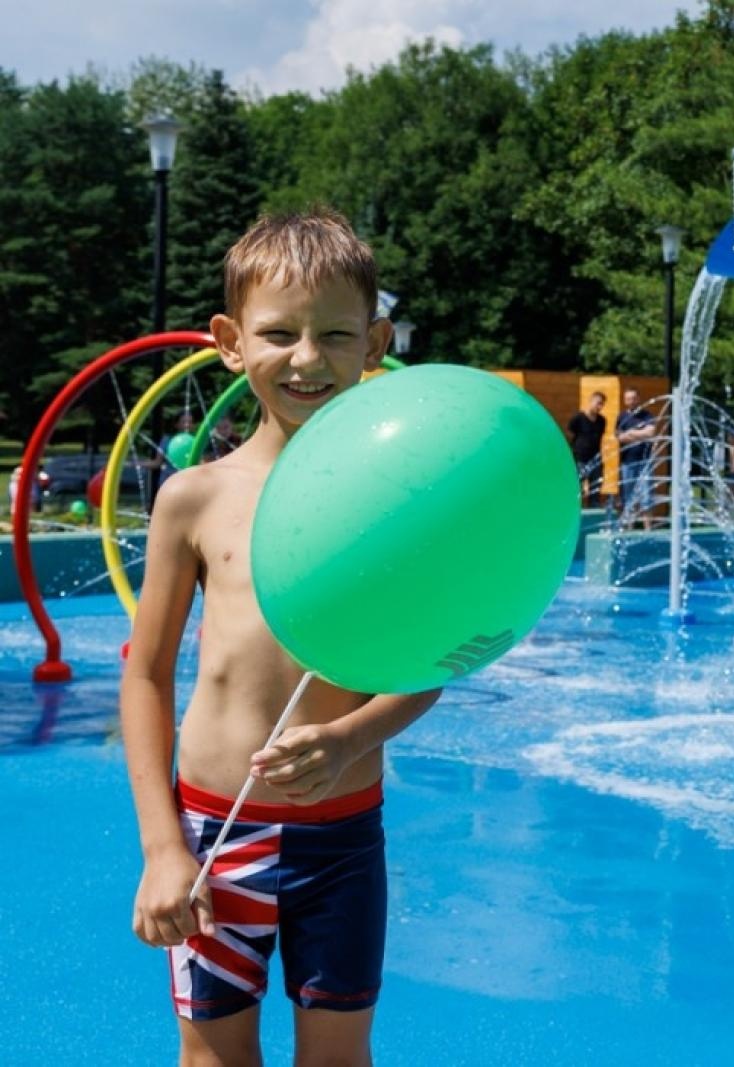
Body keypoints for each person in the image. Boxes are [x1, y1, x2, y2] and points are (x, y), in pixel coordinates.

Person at [120, 209, 443, 1064]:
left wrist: (349, 735)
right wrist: (162, 847)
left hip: (341, 842)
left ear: (375, 342)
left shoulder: (402, 500)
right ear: (230, 341)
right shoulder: (195, 498)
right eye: (279, 333)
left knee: (337, 1056)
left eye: (336, 334)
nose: (307, 358)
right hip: (216, 838)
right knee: (214, 1057)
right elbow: (146, 676)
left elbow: (432, 663)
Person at [615, 387, 658, 529]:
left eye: (633, 398)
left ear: (638, 399)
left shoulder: (647, 415)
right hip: (627, 461)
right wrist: (640, 433)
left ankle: (648, 529)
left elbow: (651, 433)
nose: (631, 401)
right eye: (628, 399)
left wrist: (631, 433)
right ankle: (630, 528)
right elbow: (620, 437)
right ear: (624, 400)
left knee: (647, 495)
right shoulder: (621, 417)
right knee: (629, 496)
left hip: (645, 461)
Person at [567, 391, 607, 507]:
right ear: (591, 401)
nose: (600, 406)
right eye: (598, 403)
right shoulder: (578, 419)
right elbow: (569, 434)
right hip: (580, 459)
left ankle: (594, 514)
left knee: (595, 489)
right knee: (577, 489)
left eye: (602, 404)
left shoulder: (602, 420)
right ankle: (577, 512)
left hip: (596, 459)